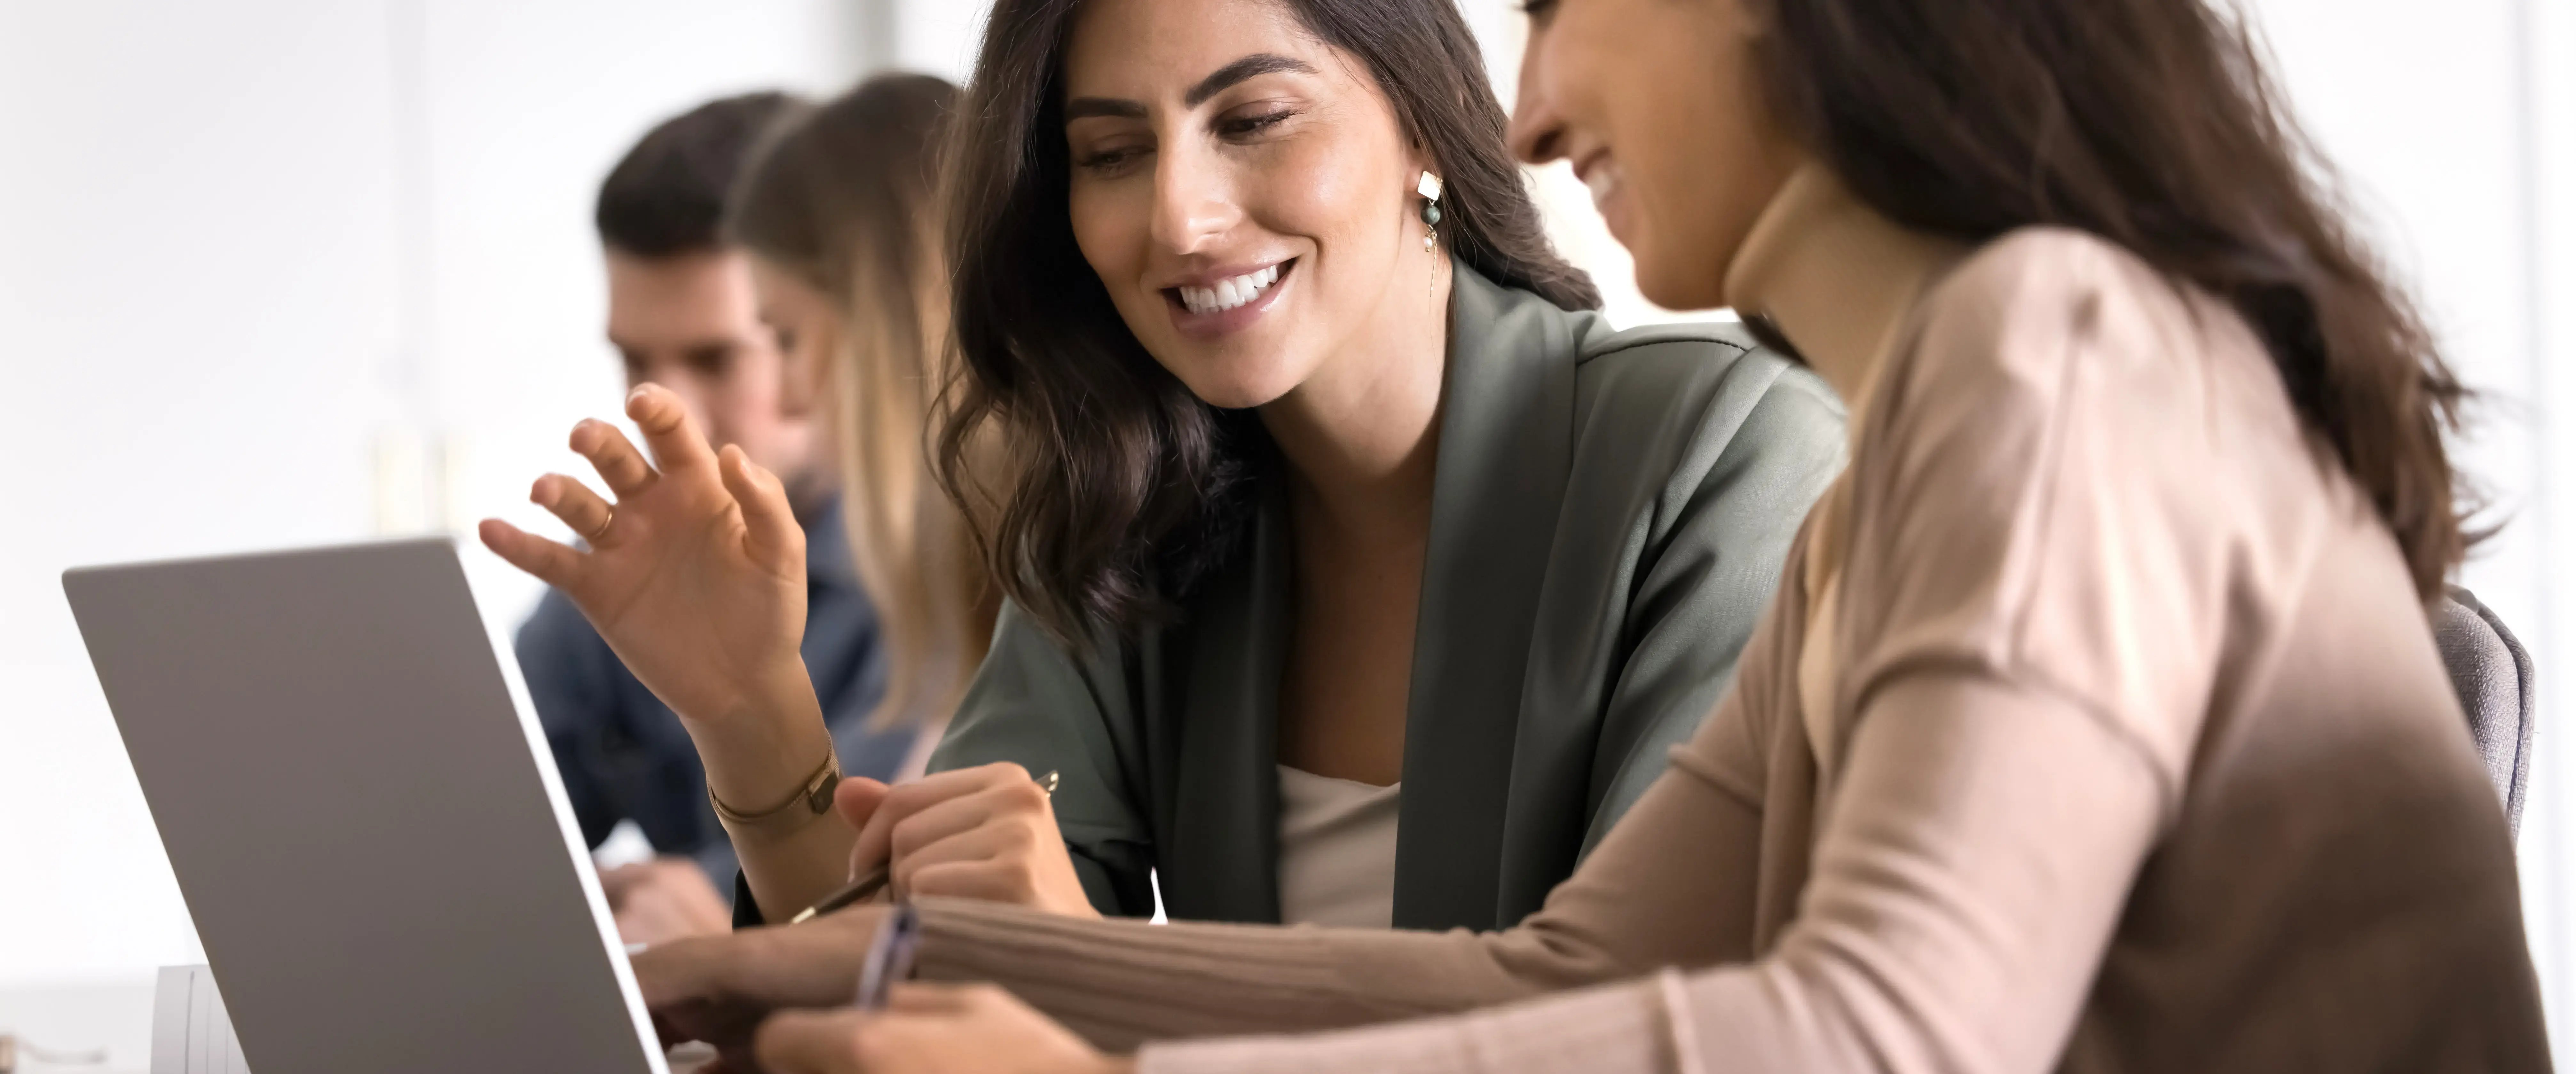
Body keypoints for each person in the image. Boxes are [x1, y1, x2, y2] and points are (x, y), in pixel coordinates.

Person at [564, 0, 2576, 1074]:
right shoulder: (1924, 440)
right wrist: (850, 951)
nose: (1529, 103)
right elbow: (1585, 974)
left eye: (1558, 9)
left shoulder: (2040, 345)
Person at [482, 0, 1848, 937]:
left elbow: (1620, 1016)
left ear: (1428, 126)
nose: (1180, 220)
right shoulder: (1129, 501)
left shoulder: (1725, 448)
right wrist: (749, 711)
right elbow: (912, 998)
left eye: (1251, 119)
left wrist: (1096, 963)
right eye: (1110, 153)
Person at [517, 92, 911, 945]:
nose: (662, 409)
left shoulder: (953, 575)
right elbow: (491, 831)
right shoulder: (619, 574)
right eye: (632, 358)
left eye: (717, 357)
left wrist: (708, 904)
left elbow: (880, 874)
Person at [725, 74, 997, 779]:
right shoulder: (960, 590)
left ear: (879, 312)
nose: (787, 401)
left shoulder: (1041, 578)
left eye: (785, 338)